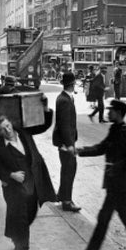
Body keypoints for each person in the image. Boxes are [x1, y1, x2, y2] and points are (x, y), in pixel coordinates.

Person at [69, 99, 126, 250]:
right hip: (115, 184)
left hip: (119, 184)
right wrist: (80, 151)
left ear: (118, 113)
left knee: (107, 219)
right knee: (118, 220)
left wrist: (118, 165)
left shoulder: (124, 132)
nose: (108, 112)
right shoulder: (114, 129)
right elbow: (102, 148)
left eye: (111, 110)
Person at [0, 108, 57, 250]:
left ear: (10, 123)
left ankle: (16, 237)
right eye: (2, 130)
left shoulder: (24, 133)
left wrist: (46, 111)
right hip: (15, 190)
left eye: (7, 126)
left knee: (29, 215)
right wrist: (10, 175)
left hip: (33, 184)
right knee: (21, 222)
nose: (7, 131)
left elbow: (42, 126)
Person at [52, 71, 81, 212]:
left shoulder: (64, 97)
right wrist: (69, 145)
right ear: (73, 84)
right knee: (69, 171)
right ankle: (67, 202)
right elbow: (64, 125)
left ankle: (61, 195)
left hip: (66, 141)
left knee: (68, 170)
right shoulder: (65, 100)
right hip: (66, 143)